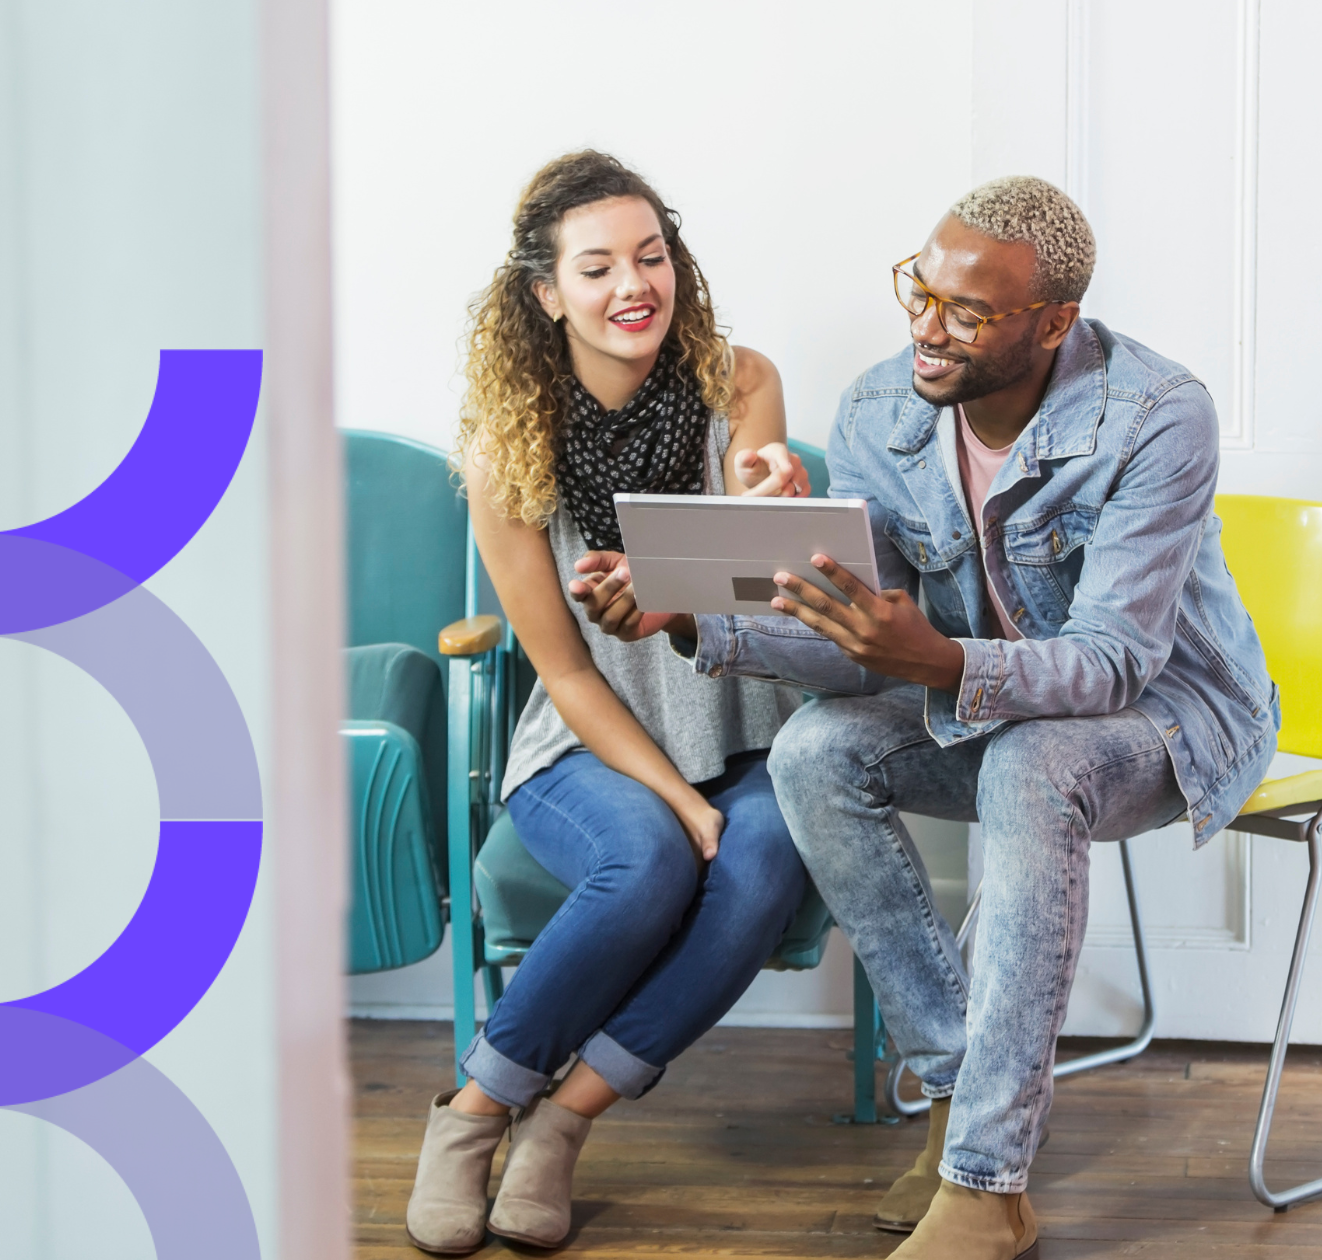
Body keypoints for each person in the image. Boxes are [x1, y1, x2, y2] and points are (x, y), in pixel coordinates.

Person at [573, 175, 1278, 1260]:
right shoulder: (879, 408)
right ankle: (959, 1102)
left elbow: (1115, 663)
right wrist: (689, 622)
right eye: (918, 287)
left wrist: (939, 659)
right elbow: (857, 641)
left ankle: (988, 1187)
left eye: (965, 310)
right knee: (814, 751)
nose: (924, 325)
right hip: (987, 703)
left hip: (1173, 718)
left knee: (1032, 767)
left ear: (1052, 324)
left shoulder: (1154, 414)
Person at [402, 150, 814, 1256]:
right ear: (546, 295)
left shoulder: (738, 381)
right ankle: (475, 1113)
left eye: (652, 255)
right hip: (591, 742)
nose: (635, 284)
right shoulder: (506, 451)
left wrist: (771, 503)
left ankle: (560, 1126)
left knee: (769, 859)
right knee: (652, 859)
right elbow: (569, 670)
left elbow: (762, 583)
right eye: (598, 268)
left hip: (751, 727)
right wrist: (678, 800)